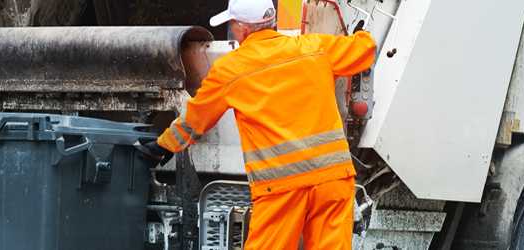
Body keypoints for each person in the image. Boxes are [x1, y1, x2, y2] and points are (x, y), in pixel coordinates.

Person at [135, 0, 376, 248]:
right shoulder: (314, 47)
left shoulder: (231, 69)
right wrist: (362, 34)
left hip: (281, 188)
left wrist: (163, 146)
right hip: (332, 179)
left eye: (231, 24)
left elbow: (196, 119)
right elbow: (365, 51)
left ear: (243, 28)